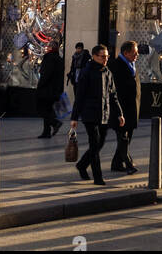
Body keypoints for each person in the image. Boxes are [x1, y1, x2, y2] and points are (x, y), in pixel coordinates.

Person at [71, 44, 123, 186]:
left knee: (100, 143)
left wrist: (119, 114)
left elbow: (113, 95)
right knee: (94, 145)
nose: (105, 59)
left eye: (107, 56)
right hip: (90, 114)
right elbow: (79, 96)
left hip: (104, 114)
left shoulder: (107, 72)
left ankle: (82, 165)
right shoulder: (86, 72)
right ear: (94, 56)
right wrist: (74, 117)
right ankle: (98, 177)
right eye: (102, 56)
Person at [110, 40, 141, 174]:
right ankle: (128, 164)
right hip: (121, 108)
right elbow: (115, 91)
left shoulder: (132, 65)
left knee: (127, 137)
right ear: (125, 52)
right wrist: (118, 111)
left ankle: (116, 163)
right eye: (134, 53)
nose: (137, 55)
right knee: (123, 137)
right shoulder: (117, 65)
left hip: (132, 107)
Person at [35, 40, 65, 138]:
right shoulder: (59, 59)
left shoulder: (49, 58)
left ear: (51, 48)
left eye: (48, 47)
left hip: (47, 89)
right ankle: (46, 132)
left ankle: (55, 123)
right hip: (55, 89)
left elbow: (45, 74)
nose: (46, 48)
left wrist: (40, 86)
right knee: (48, 109)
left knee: (43, 109)